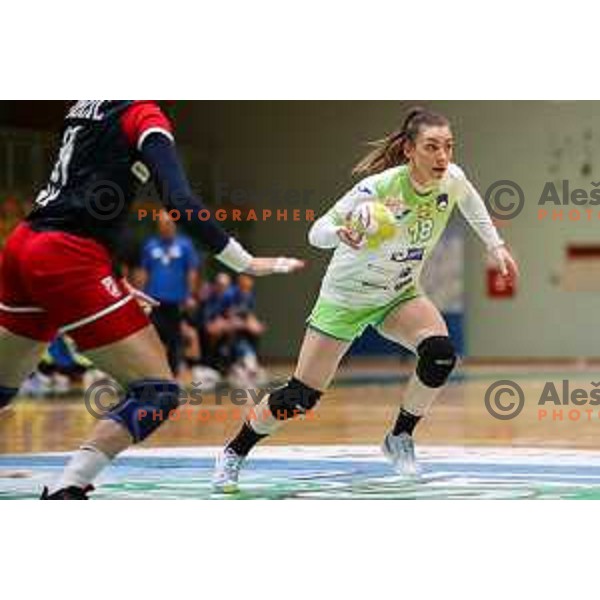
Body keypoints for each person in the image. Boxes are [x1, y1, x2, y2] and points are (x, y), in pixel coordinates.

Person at [0, 100, 303, 499]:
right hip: (67, 257)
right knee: (156, 391)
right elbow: (179, 201)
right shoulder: (141, 114)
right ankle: (68, 490)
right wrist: (243, 261)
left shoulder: (86, 104)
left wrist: (109, 278)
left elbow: (80, 195)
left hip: (23, 246)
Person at [213, 106, 519, 493]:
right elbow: (316, 231)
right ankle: (234, 452)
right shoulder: (379, 188)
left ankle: (399, 438)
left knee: (440, 353)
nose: (442, 156)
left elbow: (472, 203)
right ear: (409, 150)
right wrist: (341, 231)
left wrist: (496, 246)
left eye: (448, 146)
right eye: (431, 147)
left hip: (399, 293)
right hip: (346, 299)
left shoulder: (452, 180)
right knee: (300, 398)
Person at [139, 210, 201, 375]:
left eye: (168, 223)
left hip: (176, 300)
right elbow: (144, 271)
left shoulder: (185, 245)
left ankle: (173, 375)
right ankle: (154, 372)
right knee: (154, 338)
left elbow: (192, 271)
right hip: (154, 300)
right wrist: (140, 295)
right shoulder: (150, 245)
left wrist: (190, 295)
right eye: (162, 223)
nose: (166, 226)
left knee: (175, 338)